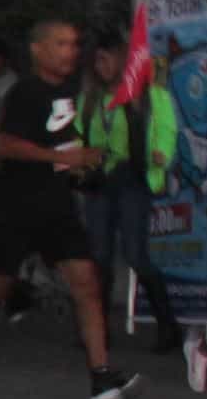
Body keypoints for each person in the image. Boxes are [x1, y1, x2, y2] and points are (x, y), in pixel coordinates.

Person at [0, 19, 141, 399]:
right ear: (38, 50)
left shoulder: (72, 91)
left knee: (86, 282)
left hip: (58, 204)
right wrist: (60, 156)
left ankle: (101, 376)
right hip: (18, 205)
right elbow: (3, 147)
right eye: (60, 44)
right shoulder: (27, 92)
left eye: (74, 44)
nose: (70, 51)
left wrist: (79, 162)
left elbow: (61, 141)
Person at [79, 25, 188, 365]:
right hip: (100, 178)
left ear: (123, 61)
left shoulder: (150, 94)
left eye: (107, 60)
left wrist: (161, 153)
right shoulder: (91, 97)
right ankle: (98, 329)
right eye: (97, 61)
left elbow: (168, 129)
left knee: (136, 255)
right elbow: (79, 132)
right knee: (98, 256)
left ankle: (168, 326)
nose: (101, 67)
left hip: (133, 177)